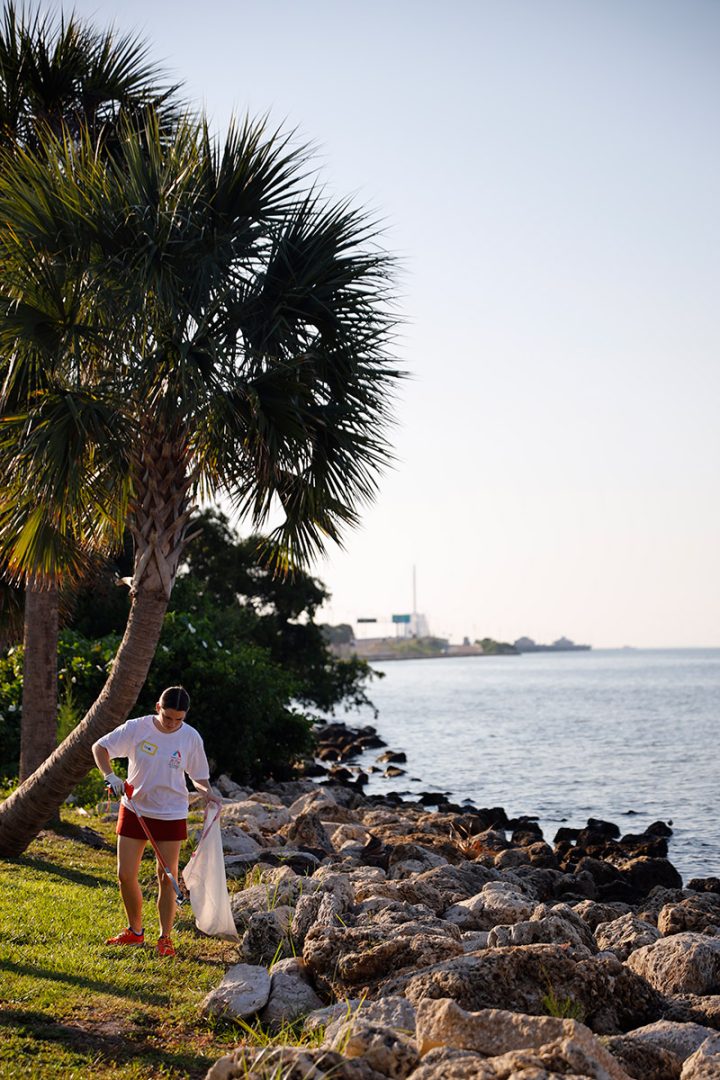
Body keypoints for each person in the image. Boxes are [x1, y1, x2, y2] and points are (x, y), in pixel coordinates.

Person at [92, 685, 222, 957]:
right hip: (135, 808)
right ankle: (135, 932)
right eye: (168, 717)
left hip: (171, 812)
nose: (173, 723)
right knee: (125, 874)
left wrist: (207, 793)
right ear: (158, 707)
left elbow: (198, 776)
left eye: (179, 719)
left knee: (167, 877)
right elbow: (100, 747)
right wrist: (110, 776)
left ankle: (165, 938)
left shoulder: (190, 737)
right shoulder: (137, 728)